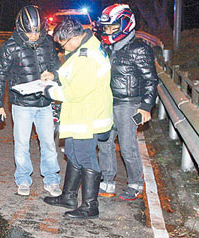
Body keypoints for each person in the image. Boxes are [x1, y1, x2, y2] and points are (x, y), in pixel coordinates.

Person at [42, 19, 113, 219]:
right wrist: (55, 77)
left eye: (62, 44)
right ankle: (69, 196)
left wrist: (50, 91)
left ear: (73, 38)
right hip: (80, 113)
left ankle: (91, 206)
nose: (61, 48)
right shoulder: (86, 46)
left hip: (87, 115)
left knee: (85, 157)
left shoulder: (87, 55)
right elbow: (73, 75)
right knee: (73, 152)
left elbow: (76, 91)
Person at [0, 5, 61, 196]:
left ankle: (52, 179)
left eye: (37, 31)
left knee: (48, 143)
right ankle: (22, 179)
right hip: (21, 105)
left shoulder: (47, 42)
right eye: (30, 32)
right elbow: (0, 76)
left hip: (44, 102)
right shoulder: (9, 47)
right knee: (21, 144)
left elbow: (56, 65)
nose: (34, 36)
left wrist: (52, 75)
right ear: (20, 29)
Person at [97, 4, 159, 201]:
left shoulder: (140, 49)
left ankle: (135, 183)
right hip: (108, 100)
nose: (107, 32)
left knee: (127, 146)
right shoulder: (105, 47)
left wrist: (146, 106)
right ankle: (107, 181)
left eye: (112, 28)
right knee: (104, 142)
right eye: (106, 28)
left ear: (125, 25)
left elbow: (151, 80)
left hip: (129, 103)